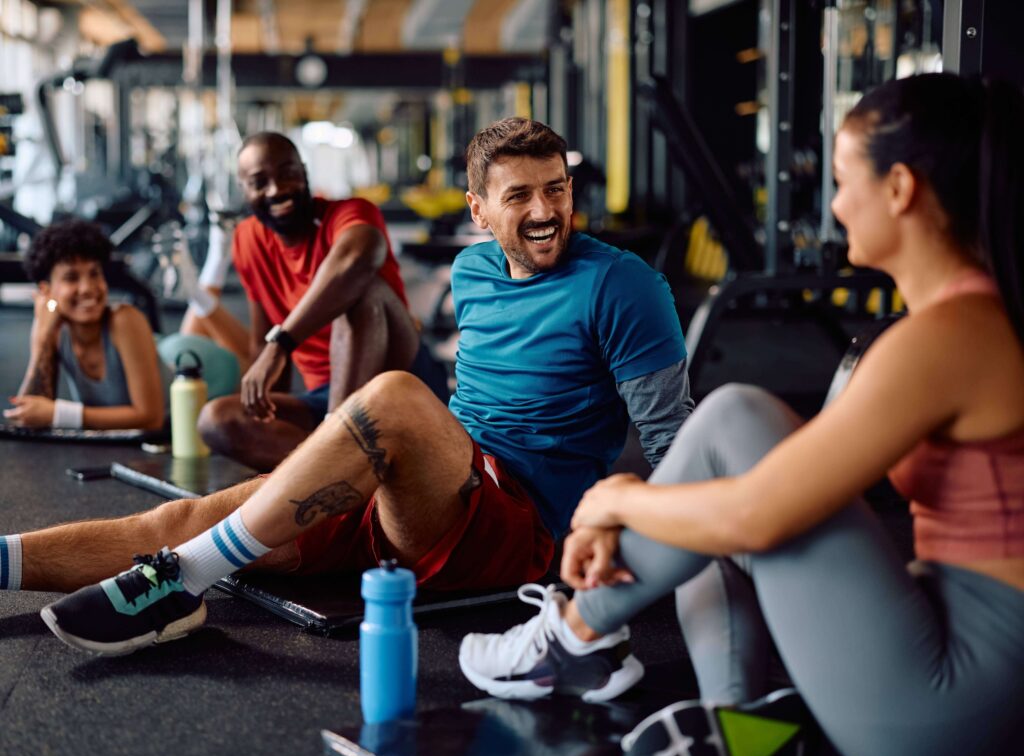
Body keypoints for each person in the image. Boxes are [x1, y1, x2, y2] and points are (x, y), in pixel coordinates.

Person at [459, 74, 1024, 756]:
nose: (837, 207)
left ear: (900, 189)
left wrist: (619, 499)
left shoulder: (950, 337)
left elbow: (755, 515)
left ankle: (573, 635)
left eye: (844, 183)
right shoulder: (962, 322)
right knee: (726, 444)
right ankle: (733, 724)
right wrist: (656, 506)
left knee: (731, 430)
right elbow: (775, 489)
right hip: (956, 644)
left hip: (953, 703)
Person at [0, 118, 694, 665]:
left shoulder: (624, 286)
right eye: (520, 196)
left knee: (392, 396)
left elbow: (674, 446)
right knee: (183, 523)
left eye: (557, 189)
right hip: (429, 494)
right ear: (479, 211)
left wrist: (693, 563)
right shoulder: (473, 271)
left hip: (522, 522)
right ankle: (27, 561)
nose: (545, 211)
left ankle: (181, 584)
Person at [175, 131, 448, 471]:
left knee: (361, 291)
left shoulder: (349, 213)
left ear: (304, 173)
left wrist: (281, 344)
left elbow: (361, 255)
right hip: (323, 397)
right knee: (216, 419)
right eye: (260, 181)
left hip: (399, 378)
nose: (277, 189)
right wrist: (266, 412)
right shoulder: (248, 239)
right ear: (244, 189)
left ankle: (334, 455)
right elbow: (264, 342)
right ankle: (350, 469)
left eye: (288, 172)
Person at [3, 219, 167, 431]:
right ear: (46, 291)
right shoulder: (56, 331)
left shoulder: (125, 320)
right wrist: (41, 337)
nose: (87, 288)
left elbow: (151, 418)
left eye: (94, 273)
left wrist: (58, 413)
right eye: (72, 277)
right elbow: (29, 417)